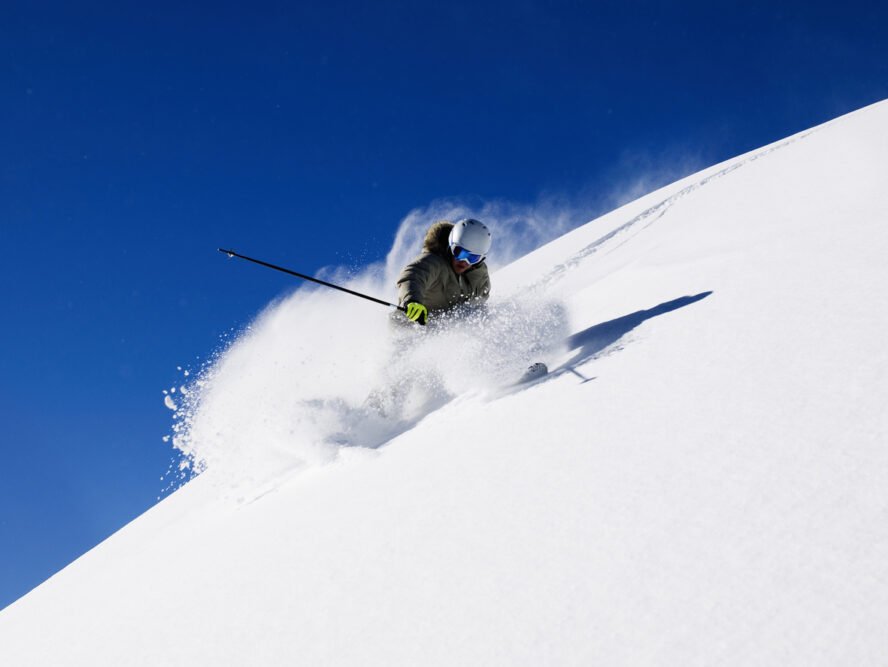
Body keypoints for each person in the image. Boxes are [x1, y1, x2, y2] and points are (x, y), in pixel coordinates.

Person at [395, 218, 492, 325]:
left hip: (451, 334)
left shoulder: (479, 276)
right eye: (460, 253)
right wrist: (411, 300)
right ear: (451, 245)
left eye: (473, 258)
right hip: (410, 329)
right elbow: (413, 275)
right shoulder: (434, 263)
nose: (465, 261)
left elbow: (480, 307)